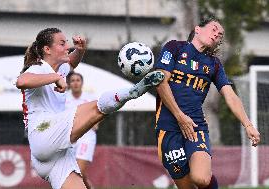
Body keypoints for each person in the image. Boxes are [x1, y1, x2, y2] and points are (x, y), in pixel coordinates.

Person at [16, 27, 164, 189]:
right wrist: (55, 78)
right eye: (62, 43)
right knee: (97, 107)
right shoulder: (39, 68)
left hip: (52, 156)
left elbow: (72, 62)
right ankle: (133, 91)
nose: (67, 47)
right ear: (47, 49)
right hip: (44, 132)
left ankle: (132, 91)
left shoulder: (60, 68)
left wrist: (80, 50)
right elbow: (22, 81)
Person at [154, 17, 260, 189]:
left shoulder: (214, 64)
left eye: (220, 35)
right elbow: (160, 82)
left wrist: (247, 125)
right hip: (168, 128)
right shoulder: (174, 47)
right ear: (197, 29)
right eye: (214, 29)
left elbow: (230, 95)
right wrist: (180, 116)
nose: (217, 34)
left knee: (201, 178)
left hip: (195, 127)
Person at [65, 71, 98, 189]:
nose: (75, 83)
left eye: (77, 80)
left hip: (86, 137)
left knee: (78, 173)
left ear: (82, 83)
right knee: (77, 175)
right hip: (69, 139)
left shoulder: (89, 99)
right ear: (68, 83)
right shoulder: (64, 99)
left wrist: (95, 122)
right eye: (72, 81)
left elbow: (100, 113)